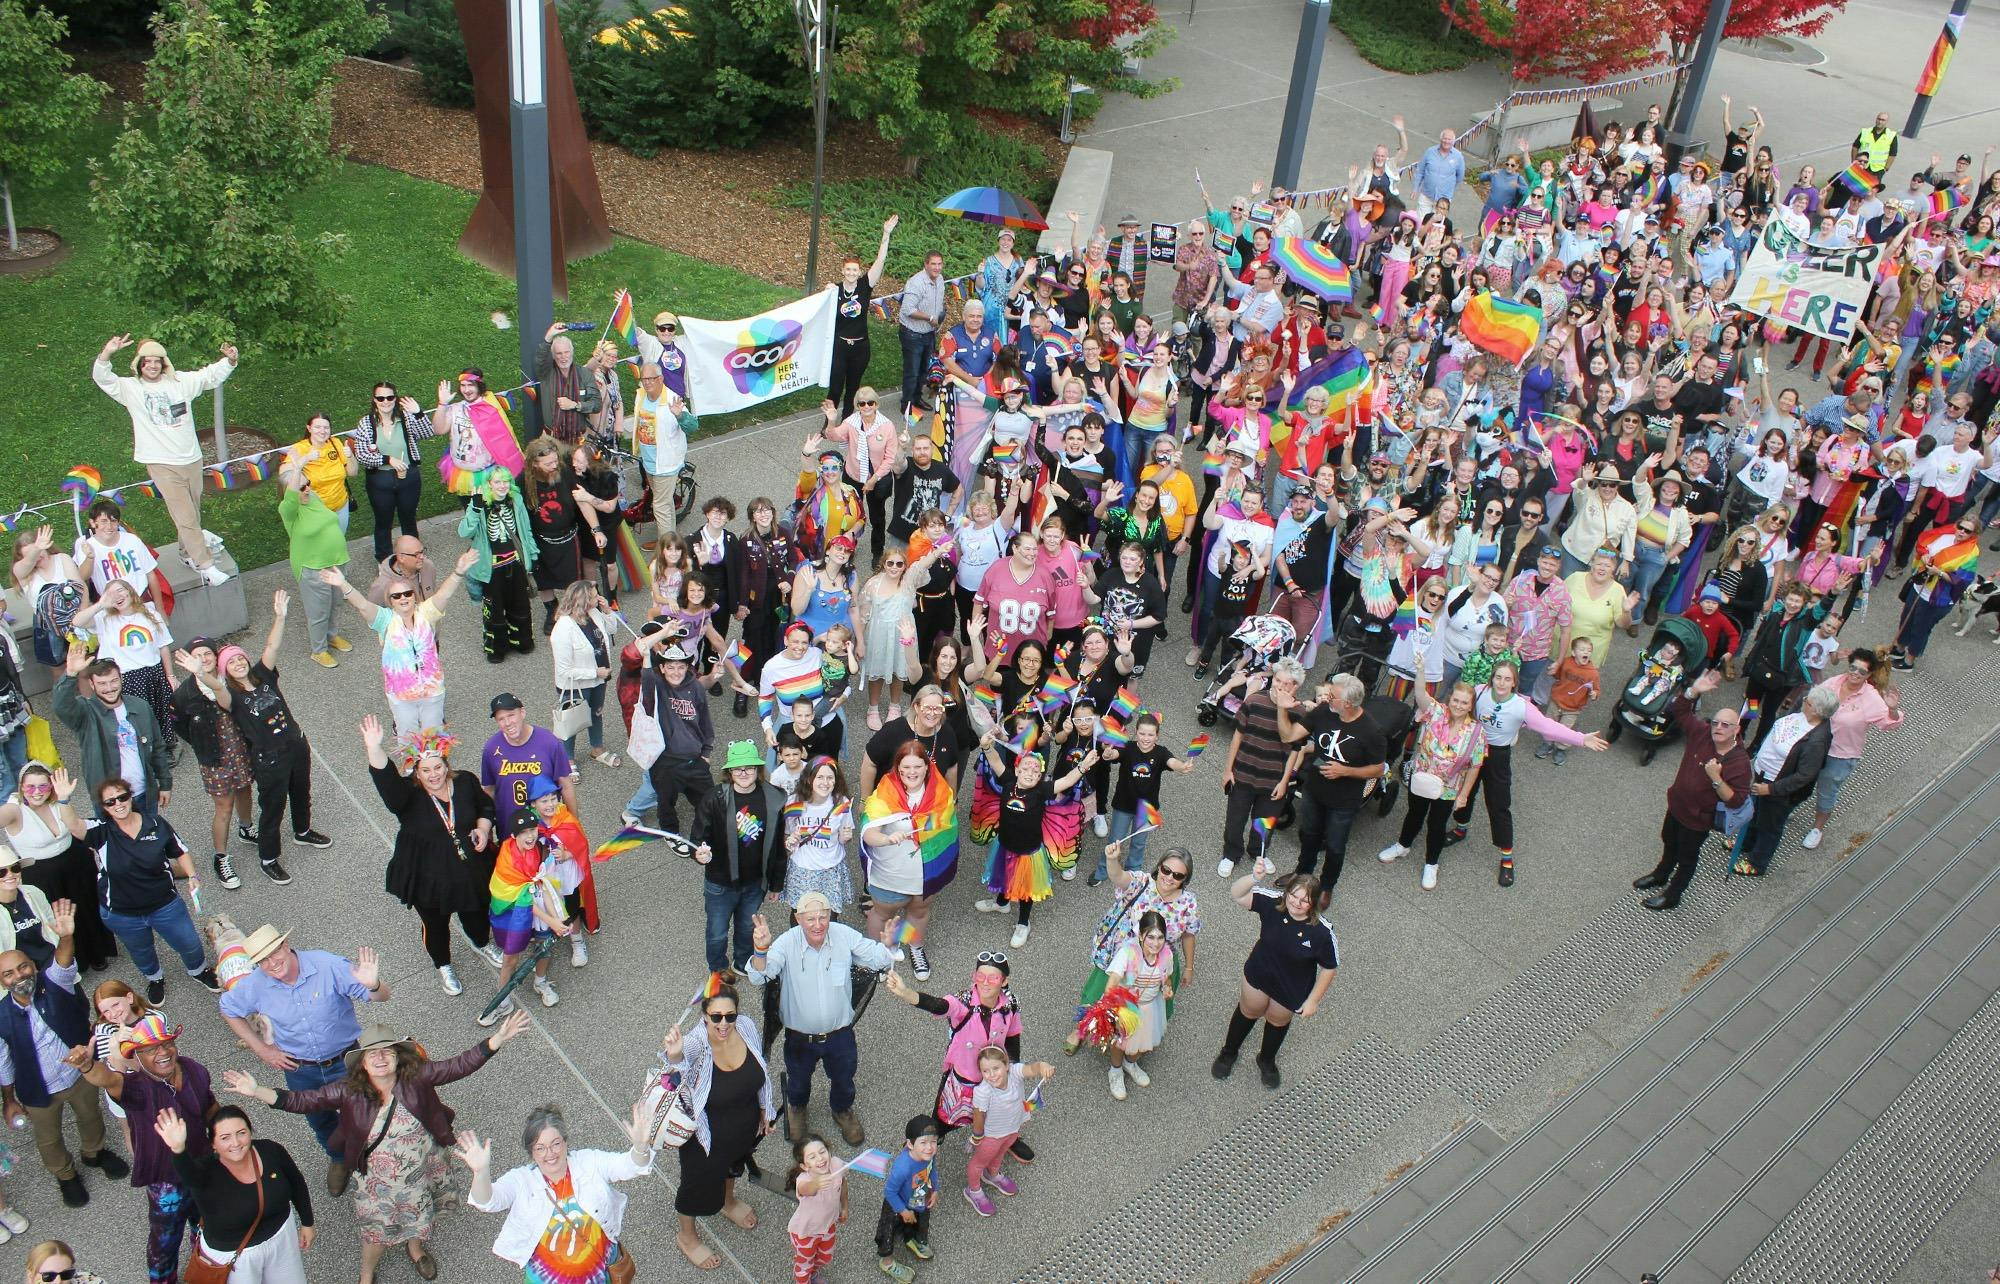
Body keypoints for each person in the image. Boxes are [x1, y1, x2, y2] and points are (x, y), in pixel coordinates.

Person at [224, 1012, 529, 1284]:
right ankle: (367, 1271)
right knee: (377, 1232)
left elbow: (458, 1066)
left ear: (398, 1058)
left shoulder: (418, 1077)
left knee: (421, 1214)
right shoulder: (349, 1090)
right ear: (363, 1063)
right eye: (373, 1054)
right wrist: (258, 1091)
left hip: (424, 1165)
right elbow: (303, 1101)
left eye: (387, 1052)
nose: (380, 1058)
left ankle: (415, 1248)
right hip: (378, 1179)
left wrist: (498, 1038)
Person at [219, 926, 391, 1193]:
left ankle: (376, 1151)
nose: (271, 963)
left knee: (365, 1109)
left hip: (347, 1059)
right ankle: (339, 1159)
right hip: (301, 1069)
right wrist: (262, 1050)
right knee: (319, 1119)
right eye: (262, 960)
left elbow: (381, 996)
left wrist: (375, 985)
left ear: (286, 944)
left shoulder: (328, 965)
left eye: (274, 953)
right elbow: (228, 1010)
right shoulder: (255, 984)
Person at [0, 900, 128, 1209]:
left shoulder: (53, 983)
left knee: (90, 1116)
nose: (18, 976)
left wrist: (66, 937)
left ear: (34, 965)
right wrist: (9, 1101)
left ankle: (94, 1153)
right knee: (48, 1138)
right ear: (1, 982)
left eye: (23, 967)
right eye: (8, 974)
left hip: (80, 1073)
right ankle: (66, 1175)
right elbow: (3, 1062)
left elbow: (62, 961)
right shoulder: (1, 1016)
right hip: (36, 1090)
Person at [361, 715, 502, 996]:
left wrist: (484, 830)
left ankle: (481, 942)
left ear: (446, 765)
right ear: (417, 773)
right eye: (426, 770)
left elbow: (485, 807)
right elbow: (386, 782)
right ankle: (443, 964)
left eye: (438, 767)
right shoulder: (408, 796)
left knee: (476, 909)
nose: (434, 775)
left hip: (468, 866)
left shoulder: (464, 782)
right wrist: (374, 748)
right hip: (427, 873)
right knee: (436, 924)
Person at [90, 334, 238, 586]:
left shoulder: (180, 382)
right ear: (139, 364)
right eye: (146, 361)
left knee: (191, 511)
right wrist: (107, 353)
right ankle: (206, 565)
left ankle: (186, 553)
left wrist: (230, 361)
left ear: (164, 362)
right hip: (161, 463)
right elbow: (102, 377)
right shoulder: (131, 388)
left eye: (157, 360)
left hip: (191, 459)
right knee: (186, 516)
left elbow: (208, 376)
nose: (152, 365)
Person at [746, 890, 891, 1146]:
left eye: (822, 917)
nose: (817, 924)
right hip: (800, 1038)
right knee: (798, 1080)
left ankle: (842, 1110)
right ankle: (798, 1108)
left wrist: (890, 944)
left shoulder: (843, 935)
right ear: (798, 918)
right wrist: (760, 949)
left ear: (830, 917)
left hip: (840, 1034)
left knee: (844, 1078)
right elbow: (760, 976)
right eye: (810, 919)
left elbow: (878, 957)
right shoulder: (786, 942)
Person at [457, 1099, 656, 1282]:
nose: (550, 1154)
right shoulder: (520, 1181)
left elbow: (630, 1166)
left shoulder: (589, 1162)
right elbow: (487, 1201)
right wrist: (481, 1172)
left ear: (566, 1142)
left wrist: (640, 1146)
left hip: (599, 1276)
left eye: (555, 1144)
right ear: (531, 1152)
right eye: (540, 1148)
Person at [660, 985, 776, 1270]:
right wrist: (675, 1054)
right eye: (716, 1017)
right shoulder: (698, 1042)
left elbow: (760, 1070)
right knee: (695, 1186)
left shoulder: (746, 1026)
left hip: (744, 1126)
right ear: (704, 1016)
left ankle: (727, 1201)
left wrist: (765, 1110)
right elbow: (680, 1060)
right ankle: (687, 1237)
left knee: (734, 1166)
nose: (723, 1024)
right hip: (705, 1138)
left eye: (729, 1016)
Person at [217, 610, 333, 882]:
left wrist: (280, 616)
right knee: (273, 806)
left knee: (302, 791)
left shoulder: (262, 675)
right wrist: (202, 672)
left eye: (239, 658)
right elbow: (216, 688)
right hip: (269, 758)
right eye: (230, 662)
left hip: (295, 744)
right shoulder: (231, 695)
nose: (238, 663)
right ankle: (268, 858)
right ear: (225, 671)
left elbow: (272, 646)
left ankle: (302, 832)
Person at [80, 776, 217, 1005]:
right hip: (122, 913)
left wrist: (192, 875)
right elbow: (72, 825)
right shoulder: (100, 831)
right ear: (103, 807)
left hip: (165, 904)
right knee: (141, 950)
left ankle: (198, 970)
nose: (118, 804)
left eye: (122, 797)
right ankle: (155, 978)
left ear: (131, 796)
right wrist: (62, 800)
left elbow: (179, 851)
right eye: (110, 802)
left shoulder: (155, 823)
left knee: (189, 943)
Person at [322, 550, 479, 736]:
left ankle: (435, 763)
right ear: (390, 602)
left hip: (432, 691)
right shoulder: (385, 620)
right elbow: (363, 605)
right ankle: (413, 766)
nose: (403, 598)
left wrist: (458, 572)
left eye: (407, 593)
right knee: (408, 737)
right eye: (396, 596)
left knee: (434, 736)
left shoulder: (426, 613)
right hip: (401, 695)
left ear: (414, 596)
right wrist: (343, 584)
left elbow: (443, 595)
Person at [1631, 669, 1751, 911]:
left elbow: (1736, 801)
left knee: (1687, 857)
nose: (1718, 727)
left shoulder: (1739, 762)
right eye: (1716, 722)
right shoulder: (1702, 734)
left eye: (1725, 725)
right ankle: (1661, 874)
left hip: (1697, 820)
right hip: (1677, 805)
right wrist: (1694, 691)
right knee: (1668, 841)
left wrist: (1715, 778)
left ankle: (1673, 895)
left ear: (1736, 730)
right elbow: (1680, 710)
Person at [155, 1104, 314, 1284]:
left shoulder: (271, 1151)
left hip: (281, 1237)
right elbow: (187, 1174)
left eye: (241, 1133)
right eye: (225, 1138)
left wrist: (308, 1222)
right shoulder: (204, 1172)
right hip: (235, 1257)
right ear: (213, 1144)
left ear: (250, 1132)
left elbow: (296, 1183)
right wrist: (178, 1149)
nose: (236, 1143)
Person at [1212, 870, 1335, 1090]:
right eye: (1293, 896)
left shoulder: (1322, 933)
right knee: (1248, 1011)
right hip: (1260, 973)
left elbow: (1329, 968)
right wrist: (1254, 876)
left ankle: (1266, 1060)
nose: (1296, 903)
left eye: (1304, 901)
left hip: (1291, 987)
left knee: (1278, 1021)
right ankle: (1228, 1052)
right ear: (1287, 892)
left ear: (1313, 903)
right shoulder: (1273, 903)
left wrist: (1313, 1001)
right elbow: (1237, 894)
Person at [1376, 670, 1487, 890]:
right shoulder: (1437, 712)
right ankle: (1403, 845)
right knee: (1414, 814)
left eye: (1464, 702)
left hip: (1448, 788)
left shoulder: (1476, 732)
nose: (1458, 705)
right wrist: (1421, 669)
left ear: (1471, 705)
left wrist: (1463, 795)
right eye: (1455, 699)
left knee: (1436, 824)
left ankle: (1431, 863)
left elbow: (1475, 766)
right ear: (1450, 699)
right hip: (1421, 778)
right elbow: (1419, 693)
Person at [1273, 674, 1386, 890]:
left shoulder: (1372, 732)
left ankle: (1326, 886)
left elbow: (1378, 768)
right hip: (1314, 790)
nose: (1326, 699)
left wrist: (1345, 771)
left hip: (1344, 801)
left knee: (1334, 846)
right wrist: (1281, 708)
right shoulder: (1324, 711)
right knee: (1309, 835)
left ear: (1348, 704)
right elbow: (1288, 736)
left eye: (1332, 696)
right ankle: (1302, 874)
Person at [0, 765, 117, 972]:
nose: (37, 792)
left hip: (76, 862)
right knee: (58, 917)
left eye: (43, 786)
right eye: (30, 787)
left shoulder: (57, 801)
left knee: (86, 907)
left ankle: (97, 952)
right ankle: (74, 961)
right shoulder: (14, 809)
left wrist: (64, 799)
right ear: (21, 788)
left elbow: (75, 827)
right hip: (41, 874)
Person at [860, 743, 959, 983]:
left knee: (920, 911)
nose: (912, 772)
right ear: (898, 768)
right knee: (882, 914)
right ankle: (879, 954)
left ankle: (915, 947)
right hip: (890, 873)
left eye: (918, 766)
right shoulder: (885, 792)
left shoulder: (941, 792)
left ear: (927, 766)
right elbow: (867, 832)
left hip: (927, 872)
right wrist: (885, 838)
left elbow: (948, 828)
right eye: (906, 767)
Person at [690, 741, 788, 977]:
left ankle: (742, 961)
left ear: (757, 770)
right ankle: (718, 968)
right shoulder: (715, 798)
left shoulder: (773, 799)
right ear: (729, 773)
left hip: (755, 883)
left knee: (746, 929)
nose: (743, 773)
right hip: (719, 883)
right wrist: (700, 853)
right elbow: (698, 838)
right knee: (717, 932)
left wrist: (776, 884)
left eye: (749, 768)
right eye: (737, 769)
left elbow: (778, 847)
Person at [167, 639, 257, 890]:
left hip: (240, 749)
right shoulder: (184, 694)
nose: (204, 658)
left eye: (208, 653)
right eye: (198, 655)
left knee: (245, 790)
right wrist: (201, 744)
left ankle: (247, 828)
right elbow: (180, 725)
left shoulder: (230, 679)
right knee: (224, 806)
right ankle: (221, 856)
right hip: (214, 758)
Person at [1801, 648, 1903, 849]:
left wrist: (1891, 708)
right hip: (1815, 746)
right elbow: (1813, 701)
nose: (1855, 673)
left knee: (1826, 792)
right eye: (1853, 667)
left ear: (1869, 675)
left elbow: (1889, 724)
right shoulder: (1834, 682)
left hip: (1841, 755)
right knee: (1801, 781)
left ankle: (1817, 828)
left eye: (1862, 672)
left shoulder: (1871, 698)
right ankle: (1790, 807)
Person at [1214, 657, 1305, 879]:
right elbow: (1237, 736)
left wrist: (1285, 782)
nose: (1279, 687)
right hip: (1243, 773)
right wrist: (1228, 770)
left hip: (1273, 780)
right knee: (1235, 818)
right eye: (1277, 680)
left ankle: (1257, 851)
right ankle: (1231, 853)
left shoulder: (1300, 713)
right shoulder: (1254, 701)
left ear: (1296, 687)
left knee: (1265, 821)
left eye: (1286, 684)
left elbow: (1296, 750)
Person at [52, 649, 172, 818]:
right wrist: (70, 673)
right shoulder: (86, 712)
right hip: (109, 801)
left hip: (144, 795)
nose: (109, 688)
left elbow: (158, 747)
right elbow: (61, 706)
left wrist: (165, 784)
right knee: (117, 844)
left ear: (121, 678)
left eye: (114, 681)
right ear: (92, 685)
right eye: (102, 683)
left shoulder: (140, 706)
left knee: (150, 841)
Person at [1733, 685, 1837, 878]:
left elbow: (1804, 776)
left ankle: (1758, 862)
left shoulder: (1816, 741)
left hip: (1777, 787)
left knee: (1770, 825)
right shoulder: (1803, 712)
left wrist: (1770, 789)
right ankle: (1746, 842)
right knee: (1755, 813)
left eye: (1808, 701)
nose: (1804, 700)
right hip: (1763, 775)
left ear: (1817, 710)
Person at [276, 458, 351, 669]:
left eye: (308, 483)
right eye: (302, 487)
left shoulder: (313, 497)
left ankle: (331, 636)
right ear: (289, 491)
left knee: (335, 602)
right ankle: (319, 650)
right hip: (313, 568)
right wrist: (297, 469)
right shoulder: (288, 510)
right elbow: (291, 498)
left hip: (336, 562)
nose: (307, 488)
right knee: (318, 611)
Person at [353, 384, 438, 563]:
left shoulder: (406, 417)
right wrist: (387, 460)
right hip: (380, 480)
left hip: (408, 476)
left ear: (395, 398)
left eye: (390, 398)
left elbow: (428, 433)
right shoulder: (366, 423)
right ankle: (384, 560)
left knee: (409, 517)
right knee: (383, 521)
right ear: (374, 400)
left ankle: (414, 556)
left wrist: (419, 413)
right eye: (380, 398)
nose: (385, 402)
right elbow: (361, 455)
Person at [460, 470, 539, 662]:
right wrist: (475, 507)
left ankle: (521, 641)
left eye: (505, 481)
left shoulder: (516, 499)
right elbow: (463, 531)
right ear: (489, 484)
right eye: (497, 482)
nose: (502, 486)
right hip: (492, 569)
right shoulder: (480, 504)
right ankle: (497, 648)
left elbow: (526, 529)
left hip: (515, 562)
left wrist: (533, 554)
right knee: (494, 609)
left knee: (520, 605)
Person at [828, 217, 899, 417]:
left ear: (859, 272)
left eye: (855, 270)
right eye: (848, 269)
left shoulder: (864, 286)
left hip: (860, 347)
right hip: (840, 346)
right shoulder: (834, 290)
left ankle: (848, 420)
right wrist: (827, 293)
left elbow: (880, 261)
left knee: (853, 388)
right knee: (835, 387)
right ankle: (829, 421)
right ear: (842, 271)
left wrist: (886, 234)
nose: (851, 272)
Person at [479, 693, 579, 832]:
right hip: (510, 831)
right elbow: (489, 791)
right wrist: (486, 831)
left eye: (511, 715)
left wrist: (574, 826)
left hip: (546, 830)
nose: (507, 723)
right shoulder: (491, 749)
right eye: (501, 719)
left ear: (522, 712)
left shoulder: (549, 743)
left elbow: (566, 786)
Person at [550, 581, 621, 765]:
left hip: (599, 678)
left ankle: (597, 749)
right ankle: (568, 760)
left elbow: (612, 629)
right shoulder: (563, 628)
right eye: (593, 596)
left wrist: (607, 611)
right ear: (582, 600)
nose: (597, 598)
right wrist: (595, 672)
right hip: (578, 683)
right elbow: (564, 670)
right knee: (571, 721)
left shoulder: (594, 613)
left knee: (596, 713)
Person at [875, 1116, 940, 1283]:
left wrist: (935, 1190)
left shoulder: (929, 1156)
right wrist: (902, 1210)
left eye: (933, 1141)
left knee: (920, 1221)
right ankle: (887, 1262)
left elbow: (932, 1170)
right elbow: (890, 1191)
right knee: (888, 1232)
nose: (930, 1147)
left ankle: (913, 1240)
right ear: (910, 1144)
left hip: (920, 1197)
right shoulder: (903, 1167)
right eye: (923, 1142)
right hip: (897, 1204)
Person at [786, 1135, 849, 1283]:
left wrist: (844, 1207)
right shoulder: (804, 1179)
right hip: (805, 1233)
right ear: (804, 1166)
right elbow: (805, 1189)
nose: (820, 1159)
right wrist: (816, 1184)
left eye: (822, 1152)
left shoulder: (837, 1165)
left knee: (825, 1257)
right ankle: (805, 1279)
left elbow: (843, 1183)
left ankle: (813, 1272)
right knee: (804, 1265)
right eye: (812, 1157)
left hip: (828, 1226)